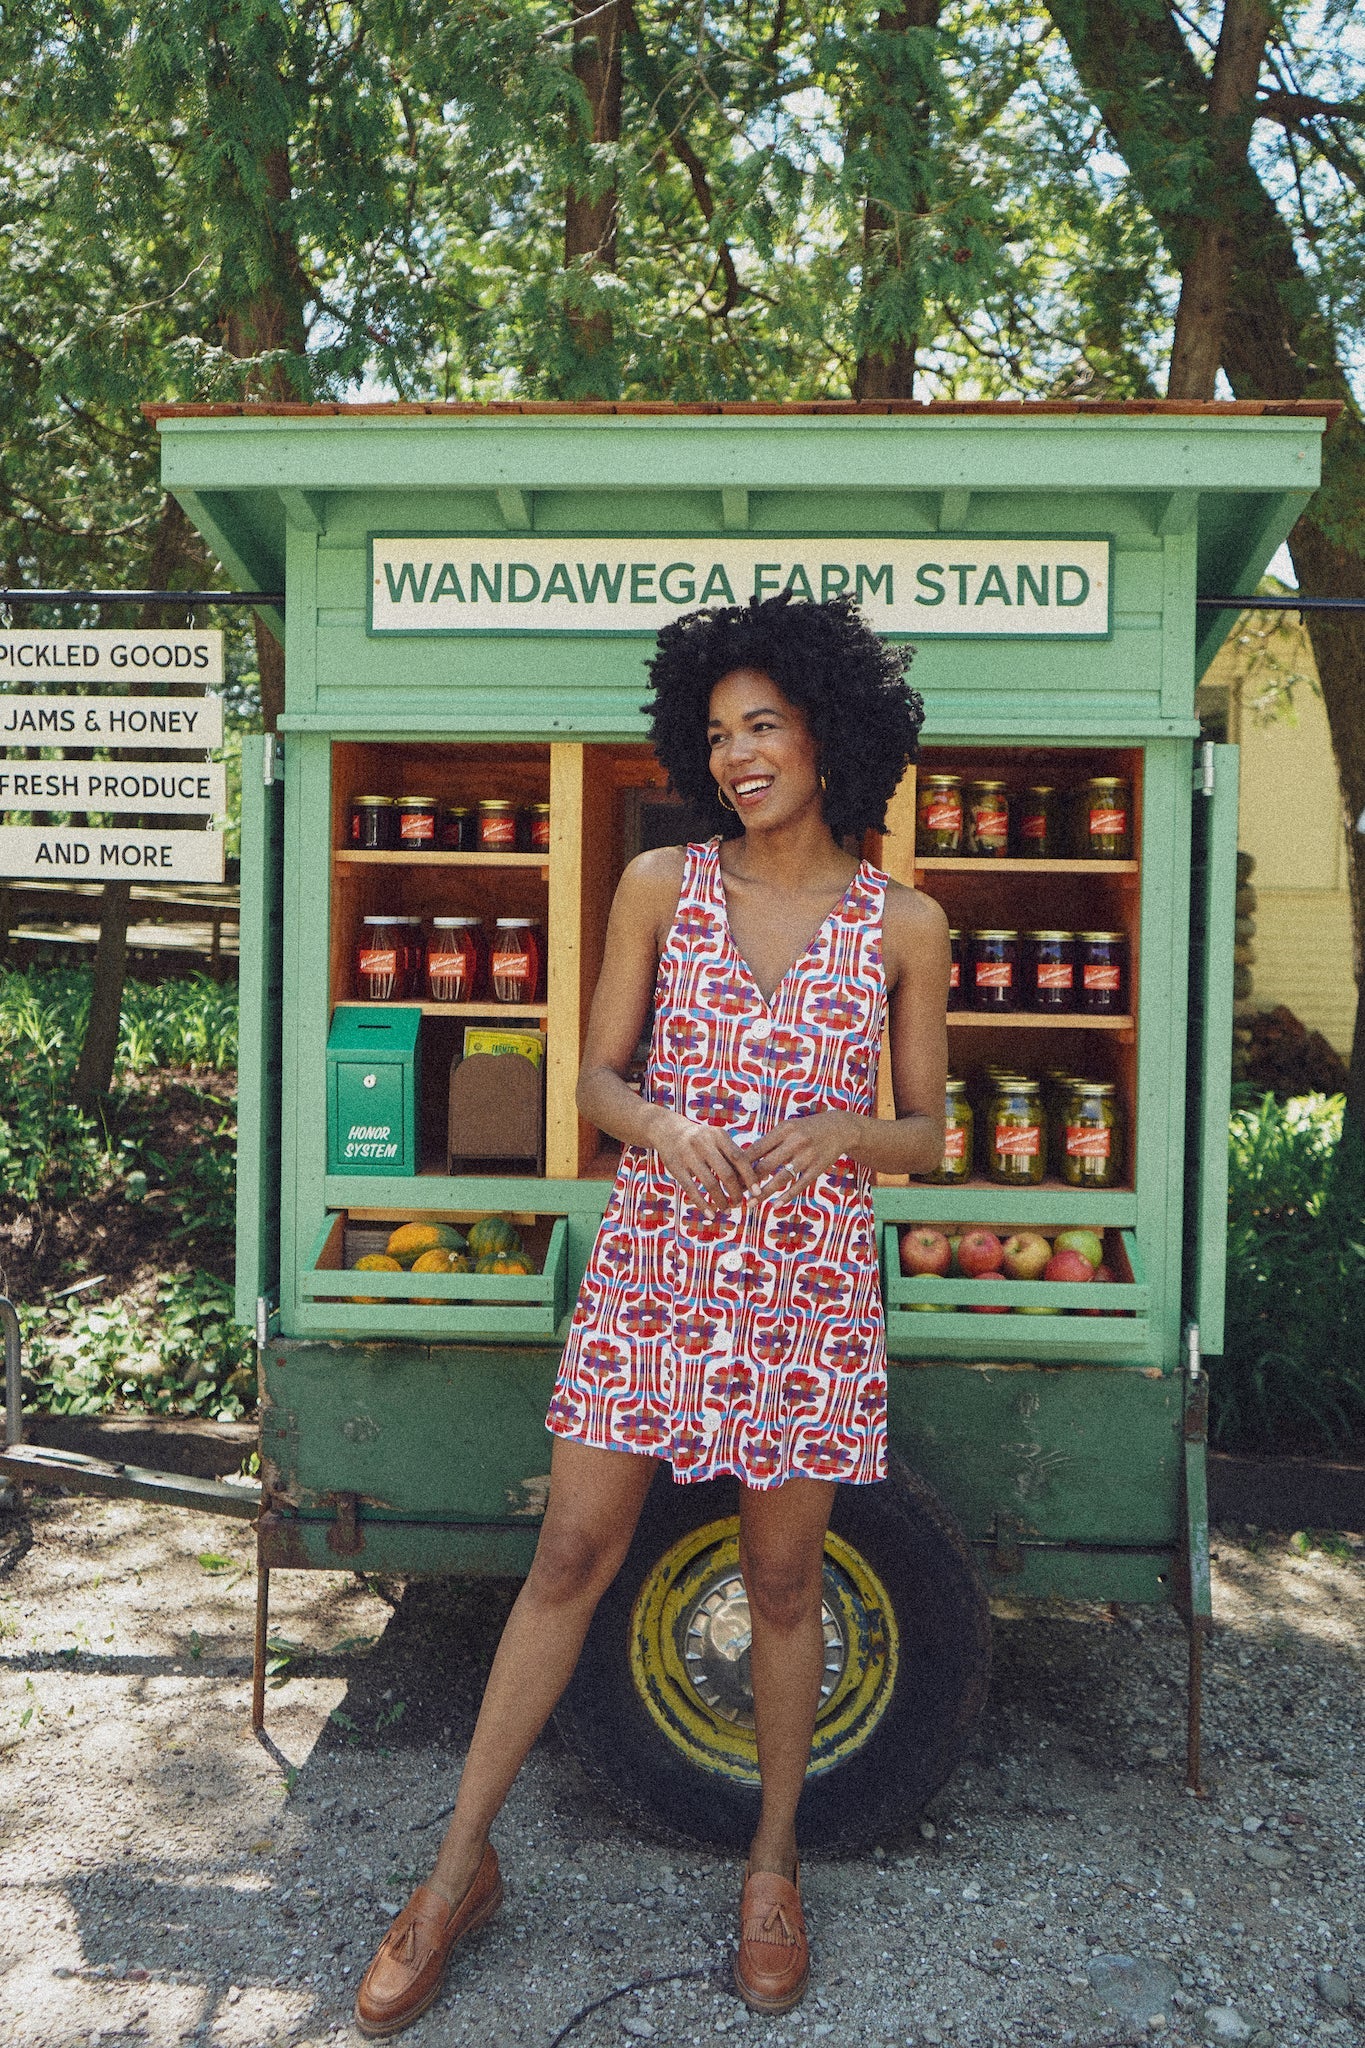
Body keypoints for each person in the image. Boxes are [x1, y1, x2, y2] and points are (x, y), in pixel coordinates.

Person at [354, 592, 949, 2039]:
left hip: (806, 1284)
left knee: (788, 1582)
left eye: (764, 725)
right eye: (716, 731)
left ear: (829, 731)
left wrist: (839, 1133)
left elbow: (926, 1133)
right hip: (655, 1269)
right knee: (568, 1552)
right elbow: (592, 1082)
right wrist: (661, 1124)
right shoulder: (660, 887)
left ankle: (768, 1866)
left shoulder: (905, 924)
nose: (737, 753)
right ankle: (450, 1876)